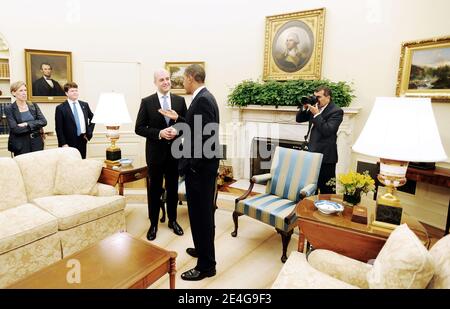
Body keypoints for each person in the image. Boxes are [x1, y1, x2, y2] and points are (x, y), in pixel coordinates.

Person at [160, 64, 220, 281]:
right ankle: (202, 249)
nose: (181, 83)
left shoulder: (202, 99)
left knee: (201, 216)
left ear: (191, 78)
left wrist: (191, 165)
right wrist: (178, 118)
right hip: (203, 168)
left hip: (200, 170)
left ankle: (206, 266)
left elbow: (204, 138)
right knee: (201, 216)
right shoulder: (204, 96)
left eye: (183, 79)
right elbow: (196, 128)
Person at [135, 69, 187, 241]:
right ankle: (153, 224)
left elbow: (186, 125)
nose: (165, 82)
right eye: (161, 80)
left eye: (167, 79)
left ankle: (173, 220)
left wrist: (175, 131)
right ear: (155, 82)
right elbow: (139, 128)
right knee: (154, 189)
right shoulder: (147, 101)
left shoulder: (180, 101)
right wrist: (159, 133)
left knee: (173, 188)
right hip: (155, 154)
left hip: (174, 153)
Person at [296, 86, 343, 194]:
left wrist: (317, 114)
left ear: (328, 97)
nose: (316, 99)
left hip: (326, 156)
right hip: (311, 153)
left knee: (327, 189)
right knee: (311, 186)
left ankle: (326, 210)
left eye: (319, 97)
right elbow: (299, 119)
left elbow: (327, 130)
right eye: (314, 96)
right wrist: (304, 107)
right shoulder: (315, 106)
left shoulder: (336, 111)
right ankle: (309, 209)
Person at [5, 81, 47, 156]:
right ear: (13, 93)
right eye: (21, 90)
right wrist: (35, 126)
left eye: (25, 90)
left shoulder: (33, 105)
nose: (24, 93)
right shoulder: (9, 108)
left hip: (37, 143)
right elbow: (15, 129)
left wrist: (27, 124)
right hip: (21, 144)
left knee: (38, 166)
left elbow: (43, 121)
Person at [55, 82, 94, 159]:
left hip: (82, 139)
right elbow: (58, 128)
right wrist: (63, 143)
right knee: (70, 164)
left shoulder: (84, 105)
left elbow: (94, 118)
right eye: (72, 91)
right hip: (68, 142)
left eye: (76, 90)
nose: (75, 93)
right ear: (66, 93)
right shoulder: (60, 108)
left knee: (81, 162)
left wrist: (89, 132)